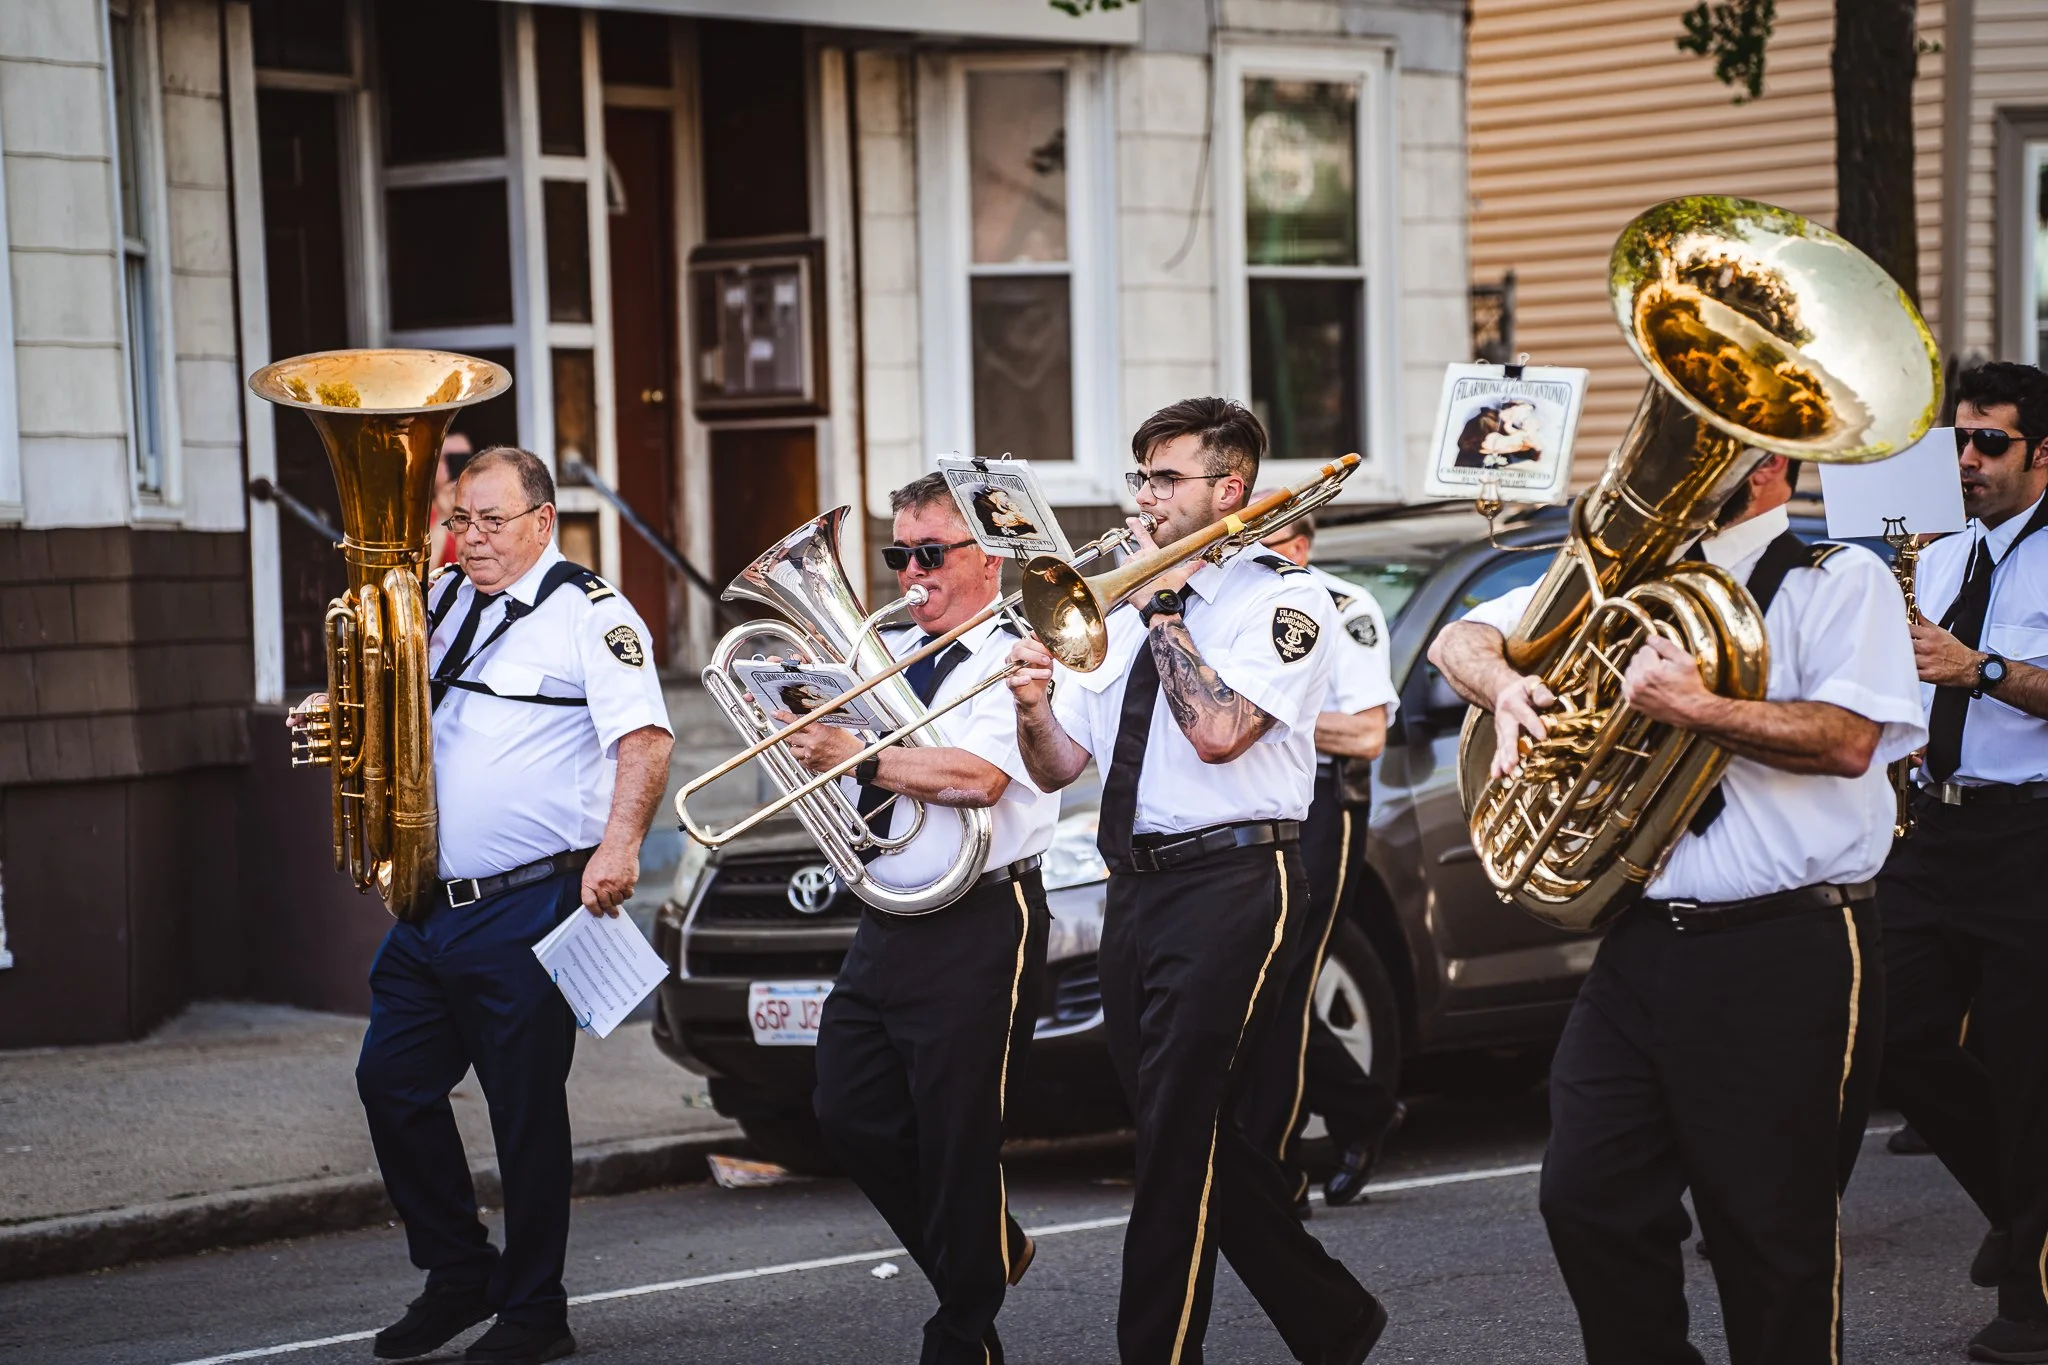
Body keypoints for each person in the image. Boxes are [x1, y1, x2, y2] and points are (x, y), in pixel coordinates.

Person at [1428, 452, 1922, 1365]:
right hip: (1647, 942)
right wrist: (1506, 689)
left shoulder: (1834, 579)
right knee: (1585, 1197)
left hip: (1791, 941)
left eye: (1718, 439)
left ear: (1770, 465)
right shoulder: (1632, 580)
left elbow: (1851, 740)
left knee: (1771, 1237)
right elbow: (1458, 638)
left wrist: (1696, 706)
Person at [1008, 397, 1387, 1365]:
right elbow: (1061, 765)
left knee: (1172, 1145)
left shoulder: (1283, 600)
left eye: (1164, 478)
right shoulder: (1125, 604)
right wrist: (1030, 704)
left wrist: (1166, 607)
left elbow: (1219, 734)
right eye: (1139, 477)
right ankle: (1331, 1319)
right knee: (1192, 1131)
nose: (1143, 496)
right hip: (1133, 888)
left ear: (1228, 489)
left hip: (1232, 883)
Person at [332, 446, 674, 1365]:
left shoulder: (590, 613)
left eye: (490, 520)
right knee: (390, 1083)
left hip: (531, 902)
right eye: (460, 520)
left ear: (541, 521)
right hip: (431, 904)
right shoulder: (440, 601)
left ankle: (536, 1310)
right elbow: (402, 716)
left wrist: (622, 843)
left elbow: (643, 739)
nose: (470, 537)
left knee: (525, 1110)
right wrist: (341, 714)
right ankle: (458, 1274)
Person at [780, 473, 1058, 1365]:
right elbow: (862, 768)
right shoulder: (887, 649)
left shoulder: (1017, 652)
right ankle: (985, 1247)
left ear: (987, 556)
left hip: (983, 913)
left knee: (959, 1130)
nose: (909, 572)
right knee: (848, 1109)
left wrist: (857, 753)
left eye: (930, 553)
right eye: (899, 553)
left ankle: (963, 1330)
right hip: (894, 910)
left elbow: (980, 778)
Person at [1876, 361, 2048, 1364]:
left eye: (1988, 442)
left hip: (2029, 836)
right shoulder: (1941, 560)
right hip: (1931, 831)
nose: (1966, 459)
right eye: (1957, 440)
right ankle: (2022, 1214)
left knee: (2029, 1066)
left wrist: (1978, 669)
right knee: (1897, 1033)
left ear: (2040, 454)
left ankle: (2028, 1309)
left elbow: (1976, 673)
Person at [1242, 515, 1406, 1214]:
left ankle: (1278, 1171)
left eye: (1266, 547)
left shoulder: (1344, 607)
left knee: (1288, 979)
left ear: (1300, 547)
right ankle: (1365, 1108)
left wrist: (1270, 713)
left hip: (1323, 802)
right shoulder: (1240, 604)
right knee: (1264, 985)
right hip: (1254, 807)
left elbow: (1369, 733)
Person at [430, 431, 475, 570]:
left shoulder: (484, 513)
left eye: (463, 459)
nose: (456, 467)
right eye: (448, 459)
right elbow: (421, 576)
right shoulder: (418, 517)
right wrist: (442, 519)